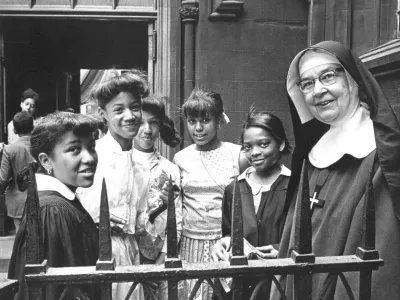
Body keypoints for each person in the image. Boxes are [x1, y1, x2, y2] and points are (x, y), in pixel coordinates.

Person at [270, 41, 400, 300]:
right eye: (307, 84)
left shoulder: (379, 156)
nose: (318, 90)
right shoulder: (312, 155)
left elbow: (376, 262)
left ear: (352, 80)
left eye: (328, 76)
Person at [8, 111, 100, 300]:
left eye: (91, 147)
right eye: (74, 149)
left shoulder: (59, 202)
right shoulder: (52, 211)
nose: (89, 158)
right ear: (45, 160)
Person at [78, 70, 150, 300]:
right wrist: (95, 222)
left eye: (135, 107)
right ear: (103, 114)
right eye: (119, 110)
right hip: (94, 251)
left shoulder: (141, 164)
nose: (129, 116)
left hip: (129, 253)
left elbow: (139, 218)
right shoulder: (93, 155)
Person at [173, 87, 248, 300]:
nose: (198, 128)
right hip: (189, 243)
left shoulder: (238, 155)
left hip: (223, 242)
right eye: (192, 121)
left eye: (205, 120)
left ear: (219, 120)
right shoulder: (180, 158)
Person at [211, 109, 291, 299]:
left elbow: (304, 237)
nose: (254, 152)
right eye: (247, 147)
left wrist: (283, 249)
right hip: (240, 284)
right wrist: (221, 244)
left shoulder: (293, 186)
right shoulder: (235, 188)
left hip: (278, 283)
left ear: (280, 144)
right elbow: (229, 233)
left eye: (263, 144)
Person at [133, 95, 183, 300]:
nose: (147, 129)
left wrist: (161, 262)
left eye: (153, 123)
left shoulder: (170, 169)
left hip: (159, 259)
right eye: (140, 123)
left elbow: (176, 219)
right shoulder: (121, 164)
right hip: (128, 258)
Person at [0, 112, 35, 233]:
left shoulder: (9, 149)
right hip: (40, 197)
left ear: (14, 130)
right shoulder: (41, 146)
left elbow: (3, 178)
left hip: (17, 200)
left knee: (20, 236)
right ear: (33, 127)